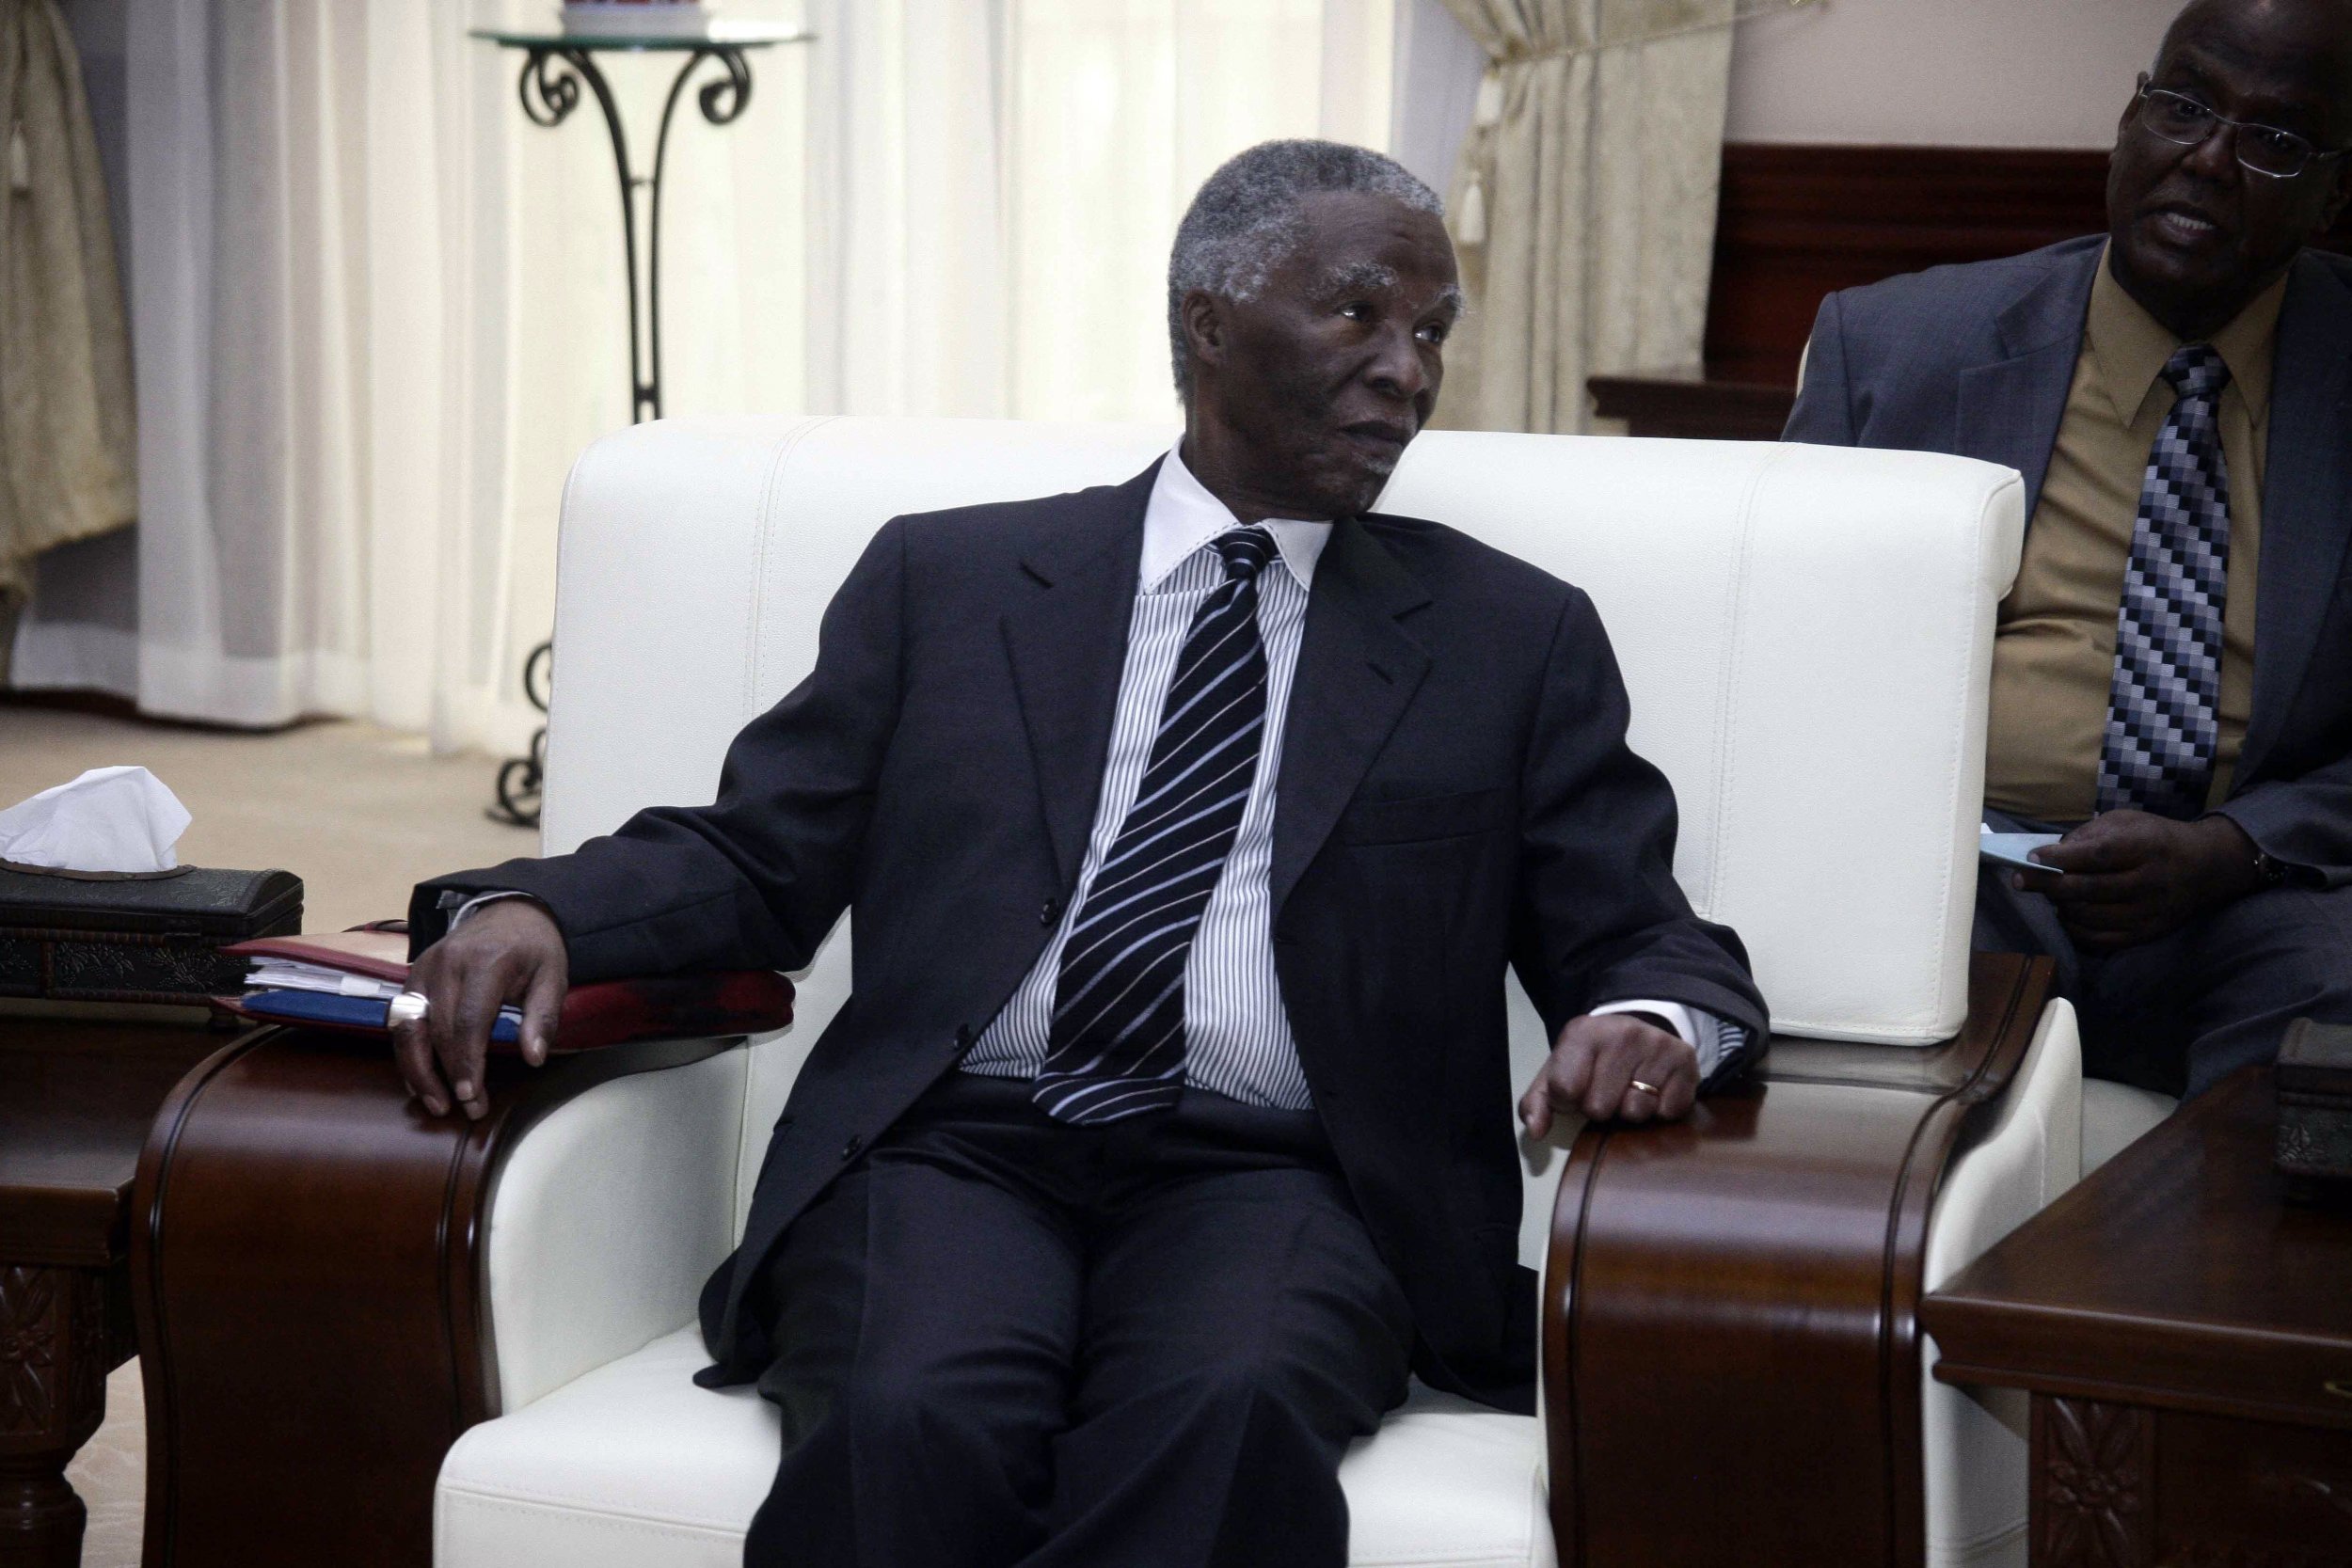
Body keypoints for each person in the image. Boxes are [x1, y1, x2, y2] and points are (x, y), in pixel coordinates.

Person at [393, 140, 1767, 1568]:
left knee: (1226, 1409)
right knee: (905, 1408)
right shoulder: (953, 582)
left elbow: (1638, 933)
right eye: (1360, 314)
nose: (1408, 372)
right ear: (1208, 321)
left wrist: (1646, 1015)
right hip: (953, 1144)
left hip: (1291, 1173)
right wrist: (538, 909)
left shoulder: (1507, 636)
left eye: (1431, 333)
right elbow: (760, 857)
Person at [1785, 0, 2352, 1101]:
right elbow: (1787, 674)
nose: (2208, 159)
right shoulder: (1896, 350)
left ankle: (2216, 1270)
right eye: (2182, 106)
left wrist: (2234, 846)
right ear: (2129, 114)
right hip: (1967, 873)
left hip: (2255, 889)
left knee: (2323, 1054)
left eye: (2274, 141)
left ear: (2338, 192)